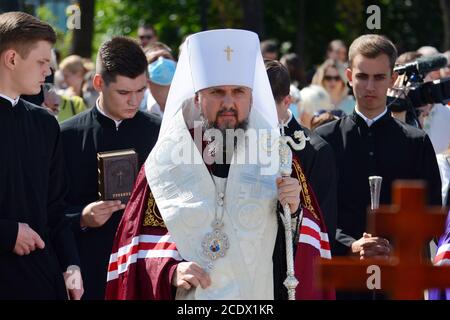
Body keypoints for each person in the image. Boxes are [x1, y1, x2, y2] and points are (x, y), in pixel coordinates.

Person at [105, 29, 332, 300]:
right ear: (198, 97)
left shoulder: (277, 157)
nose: (228, 103)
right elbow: (139, 245)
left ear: (251, 96)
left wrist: (294, 213)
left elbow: (307, 251)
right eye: (217, 92)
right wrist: (170, 271)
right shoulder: (166, 161)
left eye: (238, 92)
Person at [315, 34, 442, 299]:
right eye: (362, 76)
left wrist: (390, 246)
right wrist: (352, 245)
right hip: (342, 280)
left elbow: (431, 215)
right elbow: (316, 215)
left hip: (400, 280)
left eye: (379, 77)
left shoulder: (416, 143)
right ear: (349, 76)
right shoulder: (324, 141)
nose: (369, 86)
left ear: (393, 79)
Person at [60, 36, 161, 299]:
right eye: (124, 92)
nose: (134, 101)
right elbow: (51, 208)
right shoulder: (66, 136)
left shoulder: (159, 134)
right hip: (90, 266)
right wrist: (82, 217)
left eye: (141, 91)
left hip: (145, 264)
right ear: (98, 83)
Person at [0, 11, 82, 299]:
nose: (48, 72)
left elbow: (55, 207)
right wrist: (7, 234)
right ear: (12, 59)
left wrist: (71, 264)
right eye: (42, 62)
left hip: (41, 281)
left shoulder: (45, 124)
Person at [265, 59, 337, 253]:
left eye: (263, 106)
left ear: (287, 101)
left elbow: (323, 227)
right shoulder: (239, 142)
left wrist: (296, 210)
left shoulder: (315, 150)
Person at [141, 42, 176, 117]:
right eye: (154, 59)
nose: (161, 61)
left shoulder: (193, 103)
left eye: (166, 57)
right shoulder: (137, 108)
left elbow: (198, 128)